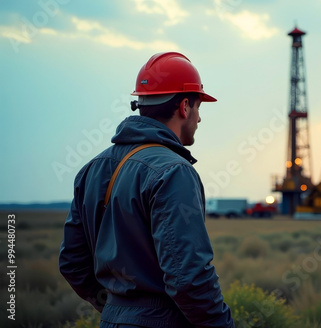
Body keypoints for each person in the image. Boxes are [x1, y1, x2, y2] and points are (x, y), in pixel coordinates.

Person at [59, 52, 234, 328]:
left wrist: (121, 310)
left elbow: (72, 262)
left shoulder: (92, 168)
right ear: (185, 107)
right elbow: (188, 278)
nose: (199, 119)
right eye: (199, 108)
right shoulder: (174, 172)